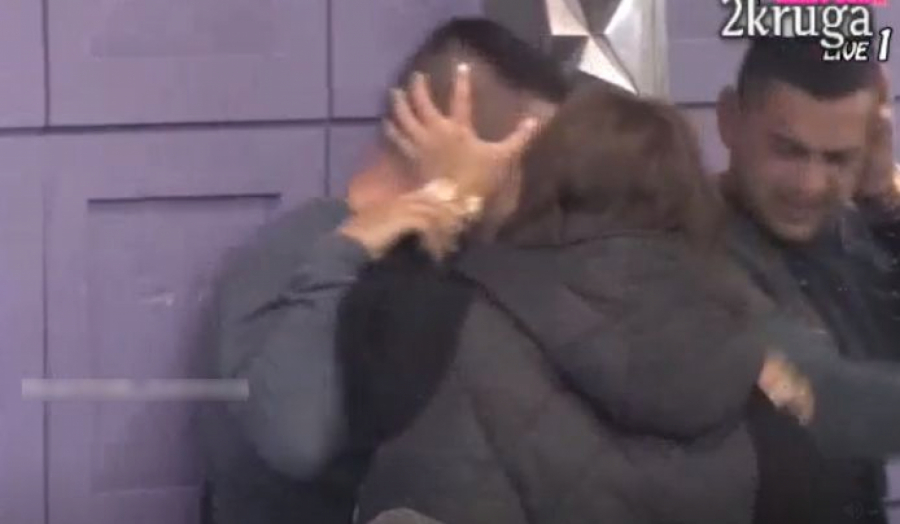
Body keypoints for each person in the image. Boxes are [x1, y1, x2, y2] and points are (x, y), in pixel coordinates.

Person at [340, 82, 780, 524]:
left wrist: (452, 200)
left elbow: (376, 329)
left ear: (541, 186)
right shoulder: (743, 346)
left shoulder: (459, 327)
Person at [199, 17, 568, 524]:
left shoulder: (470, 256)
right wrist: (348, 252)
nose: (543, 187)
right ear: (446, 134)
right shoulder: (291, 256)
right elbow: (294, 442)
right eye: (527, 163)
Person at [715, 37, 900, 523]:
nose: (809, 185)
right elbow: (822, 397)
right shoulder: (685, 245)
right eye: (787, 150)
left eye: (837, 158)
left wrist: (883, 199)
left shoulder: (848, 232)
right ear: (729, 119)